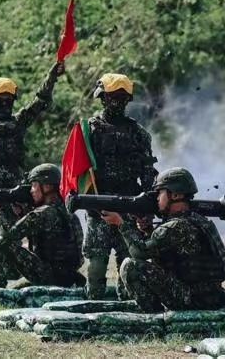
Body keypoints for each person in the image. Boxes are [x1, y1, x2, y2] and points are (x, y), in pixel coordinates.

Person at [0, 62, 65, 280]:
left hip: (14, 192)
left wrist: (52, 75)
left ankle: (3, 278)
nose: (3, 104)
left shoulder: (9, 123)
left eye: (7, 100)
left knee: (10, 236)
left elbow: (40, 102)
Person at [100, 167, 225, 312]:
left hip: (190, 299)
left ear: (176, 195)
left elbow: (138, 252)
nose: (156, 198)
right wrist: (149, 231)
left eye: (160, 193)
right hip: (211, 296)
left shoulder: (174, 226)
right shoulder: (199, 221)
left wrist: (121, 224)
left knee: (131, 266)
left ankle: (154, 318)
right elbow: (172, 251)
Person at [82, 73, 159, 300]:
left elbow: (147, 174)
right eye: (113, 97)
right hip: (99, 207)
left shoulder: (139, 134)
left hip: (130, 207)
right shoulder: (89, 131)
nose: (117, 102)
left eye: (121, 98)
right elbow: (79, 171)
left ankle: (128, 311)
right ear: (102, 98)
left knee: (130, 264)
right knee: (96, 266)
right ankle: (93, 309)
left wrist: (146, 209)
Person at [0, 164, 83, 288]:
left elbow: (8, 234)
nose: (31, 190)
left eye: (34, 185)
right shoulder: (67, 212)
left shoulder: (43, 213)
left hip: (49, 277)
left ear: (47, 186)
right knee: (18, 286)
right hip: (69, 276)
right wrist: (23, 213)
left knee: (1, 242)